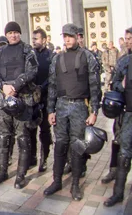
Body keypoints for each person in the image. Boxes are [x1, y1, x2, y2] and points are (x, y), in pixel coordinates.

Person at [44, 24, 100, 201]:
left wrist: (94, 111)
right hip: (61, 105)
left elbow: (95, 86)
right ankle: (57, 180)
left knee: (77, 146)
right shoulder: (57, 59)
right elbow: (52, 86)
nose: (67, 39)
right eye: (65, 36)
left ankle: (75, 184)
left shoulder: (88, 57)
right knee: (60, 144)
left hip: (78, 106)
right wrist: (50, 110)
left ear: (78, 36)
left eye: (70, 36)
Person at [0, 21, 38, 189]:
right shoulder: (0, 52)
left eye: (16, 32)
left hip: (22, 99)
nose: (13, 35)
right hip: (3, 100)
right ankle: (2, 172)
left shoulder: (27, 50)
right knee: (3, 137)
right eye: (10, 33)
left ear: (20, 33)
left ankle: (20, 176)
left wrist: (15, 86)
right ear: (6, 35)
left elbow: (32, 70)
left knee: (23, 138)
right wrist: (3, 86)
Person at [103, 26, 132, 207]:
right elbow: (114, 84)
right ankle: (118, 193)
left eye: (131, 38)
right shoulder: (124, 61)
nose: (128, 41)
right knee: (124, 153)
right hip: (128, 115)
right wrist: (122, 85)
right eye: (127, 38)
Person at [31, 28, 53, 172]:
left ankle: (44, 159)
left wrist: (42, 88)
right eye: (33, 39)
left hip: (45, 98)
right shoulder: (30, 56)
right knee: (30, 129)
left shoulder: (51, 56)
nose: (34, 41)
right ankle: (32, 157)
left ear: (44, 40)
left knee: (44, 131)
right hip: (31, 99)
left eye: (36, 39)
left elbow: (53, 77)